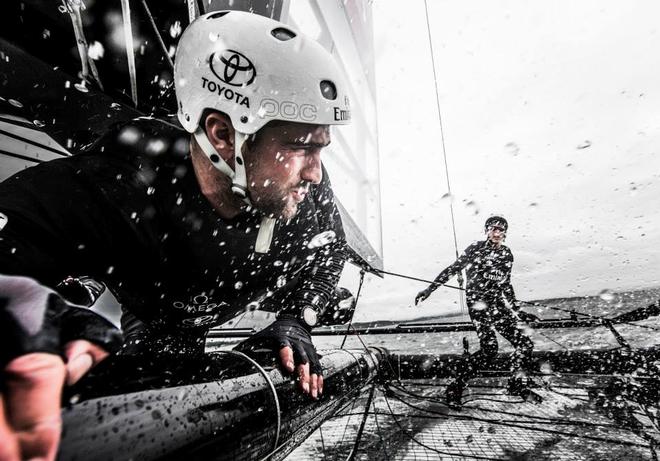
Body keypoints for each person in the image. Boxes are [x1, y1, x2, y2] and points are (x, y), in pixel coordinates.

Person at [0, 10, 353, 460]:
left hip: (189, 302)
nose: (315, 174)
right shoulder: (120, 184)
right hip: (157, 315)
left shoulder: (308, 197)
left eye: (321, 148)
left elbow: (329, 255)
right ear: (223, 134)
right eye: (300, 147)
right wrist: (37, 321)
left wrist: (296, 318)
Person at [415, 216, 539, 406]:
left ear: (505, 233)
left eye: (501, 230)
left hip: (497, 305)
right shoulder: (476, 248)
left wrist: (519, 312)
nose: (497, 233)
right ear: (486, 230)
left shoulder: (507, 254)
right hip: (477, 303)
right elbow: (452, 269)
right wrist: (429, 289)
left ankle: (515, 384)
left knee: (525, 344)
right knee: (490, 349)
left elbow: (506, 286)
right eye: (493, 229)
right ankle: (455, 387)